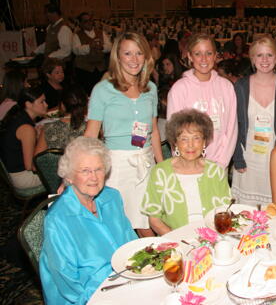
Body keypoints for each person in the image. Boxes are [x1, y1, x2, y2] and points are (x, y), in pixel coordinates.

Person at [40, 137, 137, 305]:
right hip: (86, 296)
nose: (94, 177)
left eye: (98, 169)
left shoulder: (112, 197)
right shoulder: (57, 220)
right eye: (85, 171)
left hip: (126, 280)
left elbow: (131, 241)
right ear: (69, 176)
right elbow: (67, 283)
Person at [85, 32, 163, 237]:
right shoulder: (103, 90)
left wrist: (162, 167)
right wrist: (75, 173)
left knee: (150, 220)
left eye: (139, 53)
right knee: (120, 226)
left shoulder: (151, 89)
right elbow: (91, 135)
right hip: (117, 166)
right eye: (128, 53)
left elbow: (154, 131)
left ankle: (158, 265)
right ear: (117, 57)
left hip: (146, 163)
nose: (134, 59)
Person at [141, 109, 231, 234]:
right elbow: (154, 219)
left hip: (212, 236)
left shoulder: (215, 171)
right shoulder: (161, 172)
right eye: (184, 139)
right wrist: (178, 240)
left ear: (204, 142)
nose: (191, 145)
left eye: (196, 138)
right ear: (175, 142)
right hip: (175, 238)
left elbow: (225, 211)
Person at [232, 36, 276, 205]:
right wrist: (238, 156)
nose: (265, 60)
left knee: (275, 209)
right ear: (252, 59)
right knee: (246, 213)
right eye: (259, 55)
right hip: (248, 157)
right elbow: (233, 124)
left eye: (269, 55)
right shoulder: (241, 86)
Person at [167, 33, 237, 168]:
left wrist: (222, 163)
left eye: (209, 53)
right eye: (198, 54)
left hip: (220, 164)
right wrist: (185, 164)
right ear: (189, 56)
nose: (204, 59)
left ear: (216, 55)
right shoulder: (179, 89)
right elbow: (174, 133)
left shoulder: (226, 87)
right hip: (189, 164)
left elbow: (232, 128)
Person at [0, 86, 47, 189]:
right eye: (42, 102)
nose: (46, 105)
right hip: (24, 178)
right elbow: (30, 166)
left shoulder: (19, 117)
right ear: (28, 104)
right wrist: (42, 138)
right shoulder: (26, 128)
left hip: (13, 173)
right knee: (67, 170)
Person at [34, 86, 88, 154]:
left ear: (62, 106)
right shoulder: (90, 127)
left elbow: (38, 159)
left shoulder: (48, 128)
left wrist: (37, 139)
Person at [72, 12, 112, 95]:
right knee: (88, 93)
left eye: (90, 20)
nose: (89, 23)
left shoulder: (101, 32)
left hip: (100, 68)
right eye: (86, 21)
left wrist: (102, 47)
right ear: (81, 23)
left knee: (102, 92)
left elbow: (110, 46)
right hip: (85, 70)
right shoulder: (77, 35)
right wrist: (90, 46)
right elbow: (76, 50)